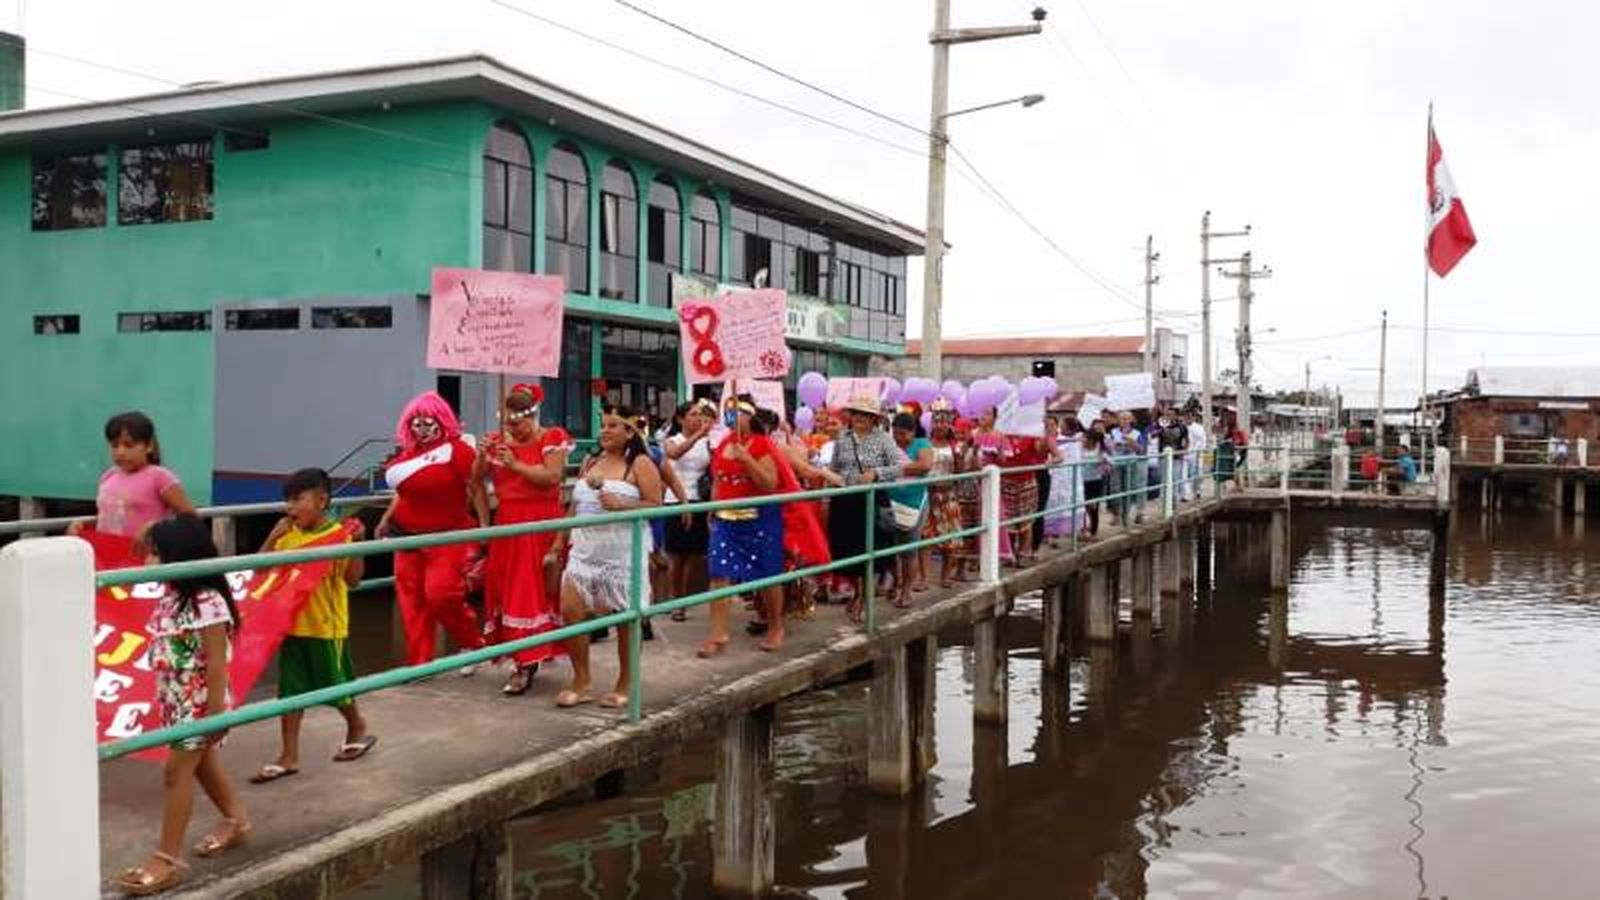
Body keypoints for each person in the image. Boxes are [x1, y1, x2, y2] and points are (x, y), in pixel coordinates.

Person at [113, 515, 250, 897]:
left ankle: (166, 859)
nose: (150, 560)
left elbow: (218, 660)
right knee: (202, 765)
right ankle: (236, 821)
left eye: (158, 553)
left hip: (199, 698)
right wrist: (153, 532)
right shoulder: (172, 593)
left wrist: (216, 714)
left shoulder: (207, 600)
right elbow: (140, 545)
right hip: (175, 696)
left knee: (176, 773)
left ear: (179, 556)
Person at [250, 468, 375, 785]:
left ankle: (357, 725)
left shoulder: (340, 535)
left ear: (322, 500)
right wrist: (272, 537)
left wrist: (357, 546)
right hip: (291, 627)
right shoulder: (288, 536)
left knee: (336, 686)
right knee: (289, 694)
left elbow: (354, 580)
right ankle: (288, 755)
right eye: (287, 501)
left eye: (297, 500)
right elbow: (258, 574)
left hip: (326, 628)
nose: (290, 508)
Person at [551, 407, 663, 708]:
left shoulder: (640, 463)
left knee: (625, 620)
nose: (605, 431)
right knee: (570, 610)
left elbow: (656, 505)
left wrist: (623, 504)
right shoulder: (591, 461)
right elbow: (574, 506)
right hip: (585, 549)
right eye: (603, 425)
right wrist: (558, 542)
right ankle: (581, 680)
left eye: (613, 426)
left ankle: (626, 681)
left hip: (623, 551)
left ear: (630, 432)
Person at [375, 392, 486, 668]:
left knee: (442, 595)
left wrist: (484, 527)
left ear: (441, 421)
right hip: (405, 535)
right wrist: (386, 518)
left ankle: (473, 643)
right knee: (411, 603)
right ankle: (420, 663)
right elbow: (405, 491)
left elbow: (475, 486)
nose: (422, 429)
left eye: (427, 423)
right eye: (416, 424)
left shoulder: (458, 450)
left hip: (446, 535)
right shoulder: (408, 453)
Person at [473, 384, 571, 696]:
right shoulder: (500, 443)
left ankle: (526, 662)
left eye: (519, 424)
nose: (514, 430)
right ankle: (523, 658)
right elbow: (475, 481)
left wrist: (515, 464)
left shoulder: (551, 437)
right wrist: (481, 456)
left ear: (532, 417)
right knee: (506, 590)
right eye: (509, 424)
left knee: (530, 593)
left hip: (540, 523)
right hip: (508, 524)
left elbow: (553, 478)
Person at [703, 396, 788, 653]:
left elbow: (769, 484)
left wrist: (747, 460)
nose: (732, 417)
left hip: (759, 520)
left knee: (767, 575)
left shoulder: (763, 444)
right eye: (728, 412)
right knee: (719, 573)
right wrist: (712, 507)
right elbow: (718, 479)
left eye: (737, 412)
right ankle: (718, 634)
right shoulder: (723, 444)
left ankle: (775, 625)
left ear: (751, 416)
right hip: (726, 521)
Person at [827, 393, 906, 622]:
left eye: (866, 415)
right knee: (848, 549)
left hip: (872, 499)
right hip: (846, 500)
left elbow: (898, 467)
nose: (860, 418)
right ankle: (857, 591)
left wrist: (876, 474)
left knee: (871, 549)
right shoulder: (843, 438)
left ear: (875, 419)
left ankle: (862, 597)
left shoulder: (883, 439)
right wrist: (833, 479)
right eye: (856, 413)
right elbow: (834, 467)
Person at [73, 411, 196, 545]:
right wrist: (84, 525)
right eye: (115, 445)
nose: (120, 452)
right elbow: (110, 518)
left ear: (149, 446)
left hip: (144, 558)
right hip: (106, 555)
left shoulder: (160, 477)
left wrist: (154, 528)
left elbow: (190, 518)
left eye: (128, 445)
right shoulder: (108, 476)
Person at [663, 399, 717, 623]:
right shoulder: (671, 440)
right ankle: (675, 598)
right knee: (677, 555)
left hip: (700, 500)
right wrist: (697, 436)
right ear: (681, 419)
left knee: (695, 554)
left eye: (700, 415)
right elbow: (674, 454)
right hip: (676, 500)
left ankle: (684, 598)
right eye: (693, 414)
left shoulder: (707, 443)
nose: (698, 419)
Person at [886, 412, 935, 607]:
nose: (899, 438)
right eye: (896, 434)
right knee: (890, 548)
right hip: (890, 500)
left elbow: (925, 466)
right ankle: (895, 584)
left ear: (913, 432)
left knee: (909, 549)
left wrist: (895, 470)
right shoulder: (890, 445)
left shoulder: (922, 444)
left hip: (914, 501)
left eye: (903, 434)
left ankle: (906, 591)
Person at [923, 399, 966, 588]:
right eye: (937, 421)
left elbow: (960, 473)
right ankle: (923, 578)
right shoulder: (924, 443)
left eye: (944, 421)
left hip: (947, 494)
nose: (940, 425)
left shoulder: (954, 446)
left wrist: (960, 457)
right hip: (927, 494)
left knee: (950, 537)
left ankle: (945, 576)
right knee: (924, 537)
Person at [1109, 411, 1147, 525]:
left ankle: (1126, 515)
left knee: (1128, 489)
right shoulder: (1113, 432)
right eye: (1122, 419)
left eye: (1127, 419)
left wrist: (1132, 442)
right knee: (1115, 490)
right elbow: (1108, 446)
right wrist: (1114, 445)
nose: (1124, 421)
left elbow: (1141, 450)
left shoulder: (1137, 433)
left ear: (1131, 420)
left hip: (1131, 464)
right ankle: (1116, 515)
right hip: (1116, 463)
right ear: (1118, 421)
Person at [1079, 429, 1110, 539]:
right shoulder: (1079, 449)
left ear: (1092, 440)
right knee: (1082, 506)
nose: (1082, 440)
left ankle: (1093, 531)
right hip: (1082, 482)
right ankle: (1083, 529)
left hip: (1095, 482)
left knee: (1093, 507)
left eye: (1085, 438)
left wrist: (1104, 464)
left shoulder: (1100, 450)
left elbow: (1110, 463)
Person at [1184, 411, 1208, 501]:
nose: (1187, 418)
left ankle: (1197, 491)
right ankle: (1186, 494)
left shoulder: (1199, 428)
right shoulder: (1183, 427)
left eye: (1189, 416)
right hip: (1186, 455)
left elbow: (1202, 441)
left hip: (1197, 454)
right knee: (1185, 475)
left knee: (1198, 474)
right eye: (1186, 416)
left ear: (1193, 417)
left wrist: (1199, 451)